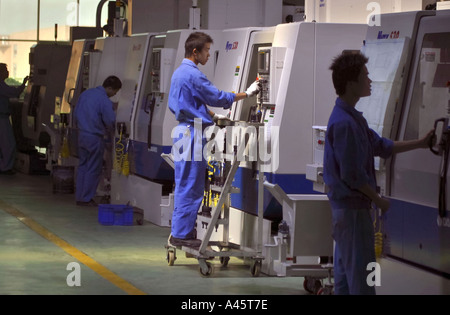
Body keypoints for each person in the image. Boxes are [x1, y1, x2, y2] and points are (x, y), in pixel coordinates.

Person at [323, 52, 435, 295]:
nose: (370, 80)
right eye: (365, 75)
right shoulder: (345, 123)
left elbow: (382, 146)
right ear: (352, 84)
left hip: (346, 215)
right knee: (363, 282)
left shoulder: (353, 120)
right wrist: (379, 200)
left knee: (344, 283)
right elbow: (352, 175)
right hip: (352, 214)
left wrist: (421, 143)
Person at [168, 32, 261, 246]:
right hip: (193, 133)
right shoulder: (193, 74)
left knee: (184, 183)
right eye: (207, 50)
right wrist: (246, 94)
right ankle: (182, 235)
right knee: (191, 185)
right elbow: (217, 96)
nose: (209, 55)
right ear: (195, 51)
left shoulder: (178, 73)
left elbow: (192, 103)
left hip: (183, 131)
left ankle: (180, 231)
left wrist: (211, 115)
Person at [74, 75, 122, 206]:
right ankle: (86, 198)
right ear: (110, 88)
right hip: (94, 137)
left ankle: (80, 197)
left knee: (83, 166)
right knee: (93, 168)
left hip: (82, 135)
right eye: (115, 92)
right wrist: (112, 130)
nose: (114, 94)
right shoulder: (104, 100)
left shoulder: (86, 94)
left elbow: (76, 112)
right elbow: (110, 120)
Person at [0, 63, 28, 175]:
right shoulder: (1, 86)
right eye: (5, 70)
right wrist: (23, 84)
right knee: (9, 144)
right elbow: (14, 93)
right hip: (2, 118)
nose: (8, 72)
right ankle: (5, 168)